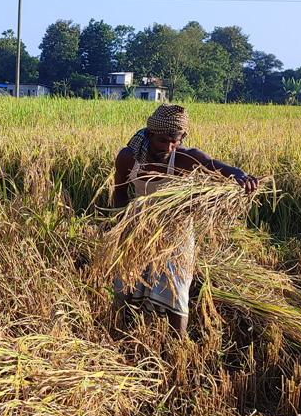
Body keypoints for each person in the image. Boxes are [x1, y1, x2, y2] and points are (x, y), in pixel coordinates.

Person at [111, 104, 259, 334]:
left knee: (176, 289)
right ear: (149, 135)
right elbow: (119, 192)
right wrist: (121, 225)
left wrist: (240, 175)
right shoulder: (128, 157)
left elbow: (220, 168)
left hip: (175, 232)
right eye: (162, 141)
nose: (168, 148)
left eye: (175, 141)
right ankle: (119, 335)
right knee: (126, 284)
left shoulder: (185, 158)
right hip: (139, 227)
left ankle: (176, 349)